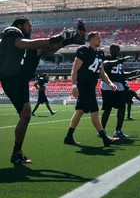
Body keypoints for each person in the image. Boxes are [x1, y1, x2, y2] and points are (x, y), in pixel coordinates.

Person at [0, 16, 86, 164]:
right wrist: (58, 37)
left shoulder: (28, 45)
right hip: (11, 79)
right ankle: (16, 154)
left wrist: (66, 41)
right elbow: (27, 44)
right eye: (28, 24)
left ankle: (16, 154)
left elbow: (47, 49)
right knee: (39, 46)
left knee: (26, 116)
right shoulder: (11, 32)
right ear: (19, 25)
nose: (31, 27)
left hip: (20, 79)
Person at [64, 32, 119, 146]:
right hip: (84, 86)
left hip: (91, 86)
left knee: (79, 111)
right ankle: (105, 138)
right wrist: (74, 86)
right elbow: (74, 70)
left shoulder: (100, 53)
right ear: (91, 39)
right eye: (98, 38)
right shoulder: (84, 50)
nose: (100, 39)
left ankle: (68, 137)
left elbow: (102, 72)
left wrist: (110, 83)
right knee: (94, 112)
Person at [101, 44, 140, 138]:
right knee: (107, 109)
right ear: (111, 50)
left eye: (118, 49)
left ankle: (118, 130)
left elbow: (121, 74)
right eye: (115, 49)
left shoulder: (119, 60)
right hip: (108, 84)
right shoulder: (107, 57)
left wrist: (131, 74)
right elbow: (106, 64)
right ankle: (101, 130)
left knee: (122, 108)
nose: (117, 51)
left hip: (119, 85)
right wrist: (121, 60)